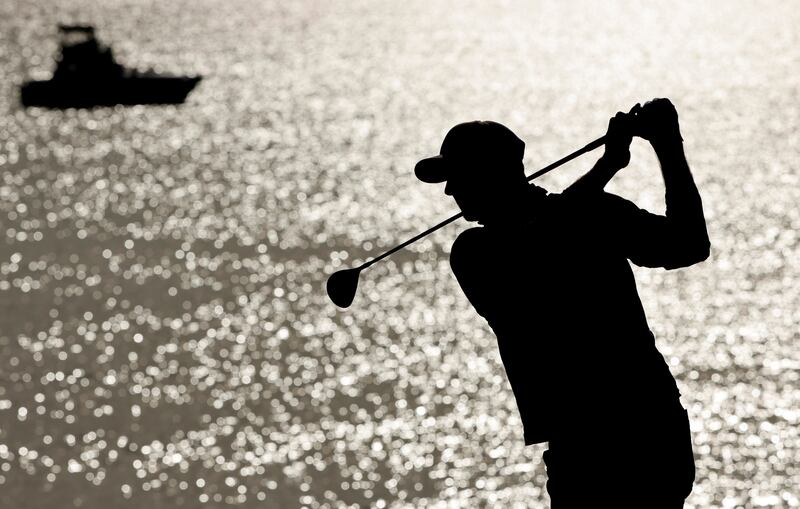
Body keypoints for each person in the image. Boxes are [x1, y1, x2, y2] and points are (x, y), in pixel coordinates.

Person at [414, 98, 709, 508]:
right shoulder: (474, 253)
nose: (450, 190)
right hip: (591, 438)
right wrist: (607, 166)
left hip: (641, 426)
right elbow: (541, 241)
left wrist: (668, 147)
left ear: (491, 175)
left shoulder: (591, 211)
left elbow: (689, 245)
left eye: (458, 175)